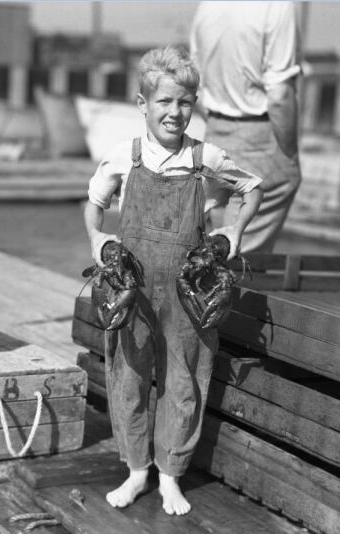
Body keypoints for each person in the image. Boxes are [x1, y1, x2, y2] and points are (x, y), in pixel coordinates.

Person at [83, 46, 262, 515]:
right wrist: (98, 241)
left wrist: (234, 231)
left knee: (184, 385)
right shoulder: (125, 157)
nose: (174, 112)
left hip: (188, 298)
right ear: (143, 104)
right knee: (129, 379)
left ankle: (170, 476)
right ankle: (137, 471)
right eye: (163, 102)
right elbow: (94, 206)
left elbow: (253, 186)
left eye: (184, 102)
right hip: (132, 294)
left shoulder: (208, 159)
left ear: (195, 103)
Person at [190, 1, 301, 253]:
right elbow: (280, 95)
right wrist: (290, 156)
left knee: (214, 242)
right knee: (237, 257)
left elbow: (195, 83)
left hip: (215, 132)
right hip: (259, 134)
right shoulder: (277, 6)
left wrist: (222, 124)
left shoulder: (208, 5)